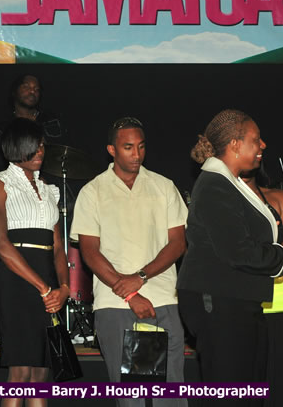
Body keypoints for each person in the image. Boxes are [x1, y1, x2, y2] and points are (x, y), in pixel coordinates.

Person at [177, 110, 283, 406]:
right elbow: (238, 251)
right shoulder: (215, 185)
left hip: (237, 301)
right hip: (219, 303)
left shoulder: (228, 183)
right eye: (256, 140)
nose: (263, 145)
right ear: (234, 144)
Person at [71, 117, 187, 407]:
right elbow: (90, 253)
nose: (137, 154)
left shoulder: (163, 186)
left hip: (162, 300)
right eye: (128, 147)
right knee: (131, 398)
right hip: (115, 305)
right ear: (111, 149)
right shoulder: (93, 191)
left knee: (169, 397)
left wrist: (141, 277)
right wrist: (132, 292)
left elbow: (178, 244)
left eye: (141, 146)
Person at [0, 118, 69, 407]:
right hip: (18, 283)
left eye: (42, 145)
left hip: (48, 283)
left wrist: (63, 288)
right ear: (16, 147)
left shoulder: (49, 190)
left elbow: (57, 248)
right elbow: (0, 244)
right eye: (34, 145)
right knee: (20, 373)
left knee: (41, 374)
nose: (41, 150)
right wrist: (43, 287)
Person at [240, 166, 283, 407]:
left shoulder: (280, 198)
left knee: (276, 384)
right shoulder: (221, 200)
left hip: (275, 304)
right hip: (234, 303)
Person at [0, 74, 66, 141]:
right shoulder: (4, 128)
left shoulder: (53, 119)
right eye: (26, 87)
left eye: (37, 89)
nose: (33, 91)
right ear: (14, 92)